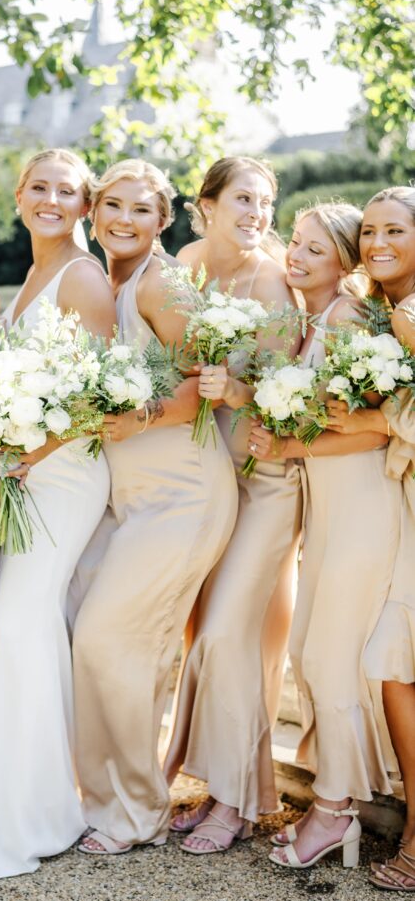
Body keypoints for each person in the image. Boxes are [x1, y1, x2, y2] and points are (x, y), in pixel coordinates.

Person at [0, 148, 116, 881]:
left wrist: (28, 450)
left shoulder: (83, 278)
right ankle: (45, 805)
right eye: (38, 187)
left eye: (66, 191)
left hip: (65, 471)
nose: (50, 199)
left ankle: (19, 817)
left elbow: (97, 398)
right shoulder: (31, 276)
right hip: (26, 467)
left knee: (18, 621)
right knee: (27, 623)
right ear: (18, 194)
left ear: (84, 204)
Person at [72, 159, 237, 855]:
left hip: (183, 492)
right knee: (101, 637)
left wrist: (137, 418)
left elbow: (205, 383)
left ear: (163, 221)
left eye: (141, 210)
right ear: (94, 210)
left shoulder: (162, 281)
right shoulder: (102, 281)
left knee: (111, 640)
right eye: (113, 205)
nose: (124, 220)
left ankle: (135, 809)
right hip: (129, 497)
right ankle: (105, 795)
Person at [249, 204, 396, 870]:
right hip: (330, 510)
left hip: (362, 505)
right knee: (314, 653)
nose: (297, 256)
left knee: (326, 660)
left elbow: (376, 427)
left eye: (314, 248)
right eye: (295, 244)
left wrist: (283, 438)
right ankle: (331, 802)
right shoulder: (316, 320)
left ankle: (336, 809)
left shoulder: (341, 319)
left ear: (343, 260)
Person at [164, 156, 302, 853]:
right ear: (206, 204)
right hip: (202, 474)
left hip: (266, 480)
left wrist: (238, 393)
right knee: (202, 632)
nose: (256, 214)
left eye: (266, 202)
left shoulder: (276, 281)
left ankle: (240, 801)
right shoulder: (186, 262)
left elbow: (287, 401)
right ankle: (215, 784)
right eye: (243, 198)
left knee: (228, 633)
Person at [326, 187, 415, 891]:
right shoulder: (375, 315)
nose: (377, 242)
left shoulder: (409, 316)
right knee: (393, 664)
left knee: (396, 665)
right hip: (399, 499)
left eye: (395, 230)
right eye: (368, 231)